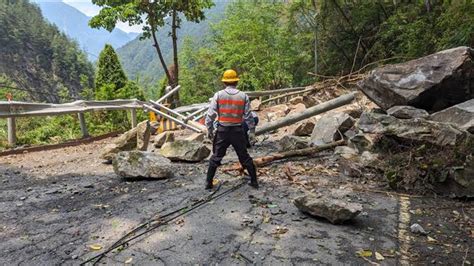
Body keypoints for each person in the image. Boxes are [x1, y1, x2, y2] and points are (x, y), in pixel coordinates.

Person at [205, 69, 258, 190]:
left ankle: (208, 183)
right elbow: (249, 116)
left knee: (216, 157)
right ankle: (254, 181)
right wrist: (252, 132)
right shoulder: (243, 96)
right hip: (237, 131)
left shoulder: (218, 95)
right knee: (244, 156)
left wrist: (209, 130)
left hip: (222, 130)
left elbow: (210, 115)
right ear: (236, 82)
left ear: (224, 82)